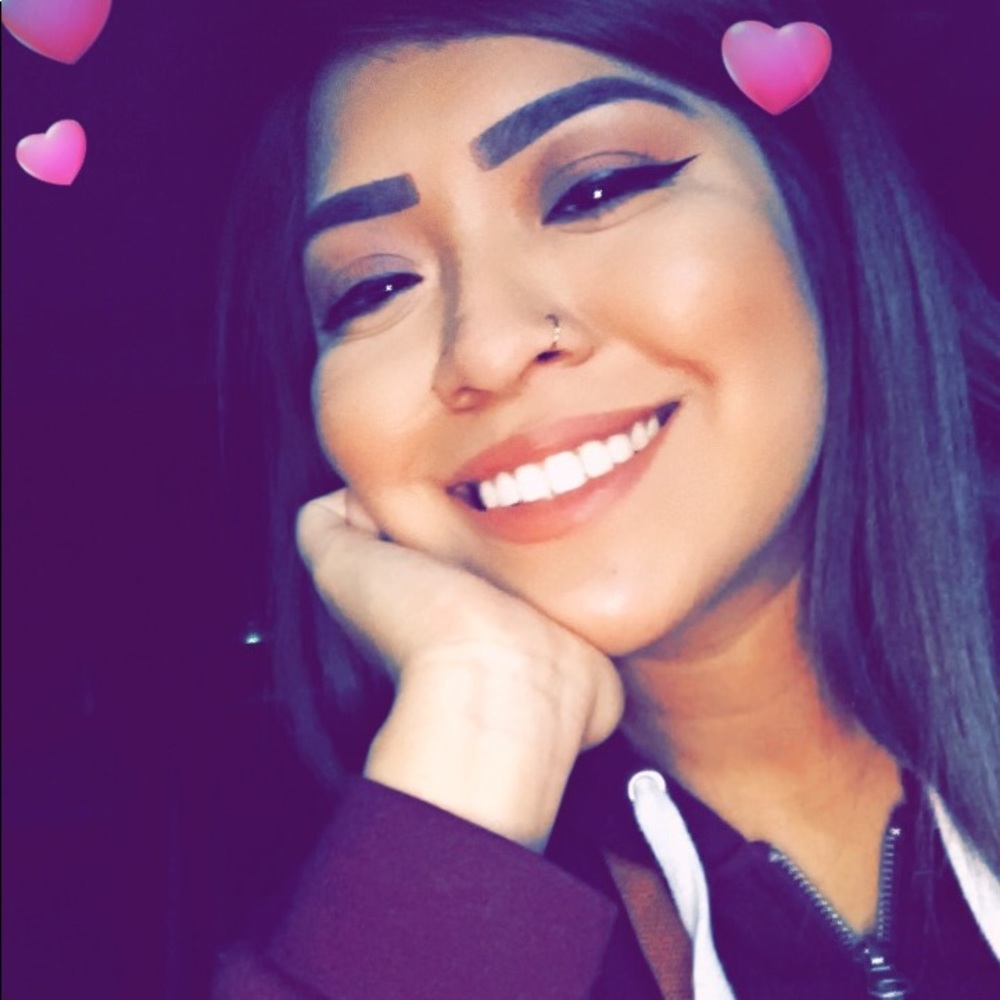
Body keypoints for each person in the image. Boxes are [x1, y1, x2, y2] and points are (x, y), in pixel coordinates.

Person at [214, 0, 1000, 996]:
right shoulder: (365, 924)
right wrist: (484, 715)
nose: (486, 346)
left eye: (594, 190)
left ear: (822, 218)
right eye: (373, 289)